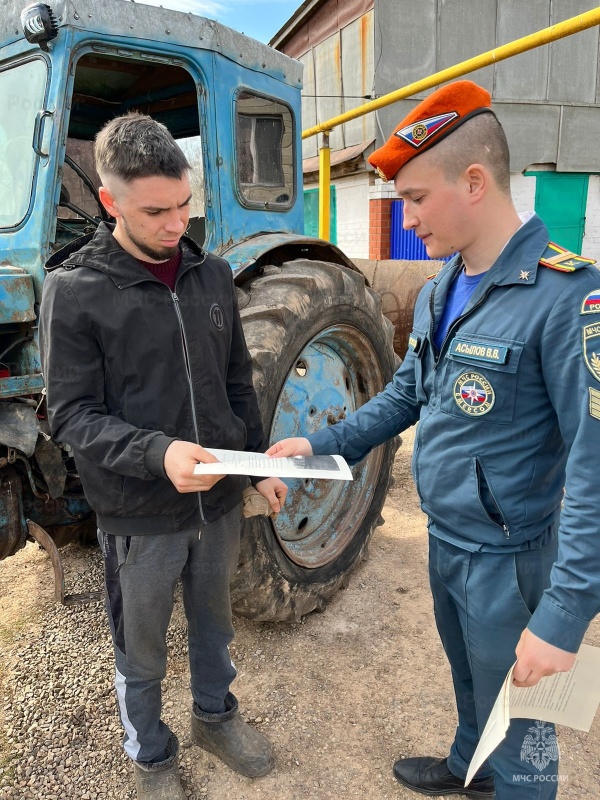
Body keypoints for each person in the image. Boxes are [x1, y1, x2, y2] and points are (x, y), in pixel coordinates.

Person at [266, 80, 600, 799]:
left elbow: (596, 465)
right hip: (448, 541)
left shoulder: (567, 298)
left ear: (474, 181)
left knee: (526, 732)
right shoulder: (442, 288)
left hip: (512, 562)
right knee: (469, 678)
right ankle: (466, 766)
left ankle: (511, 784)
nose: (404, 215)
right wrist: (324, 449)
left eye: (416, 196)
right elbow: (410, 392)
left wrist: (565, 614)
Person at [39, 112, 287, 800]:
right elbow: (73, 417)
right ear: (111, 202)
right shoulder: (76, 291)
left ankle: (215, 717)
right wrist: (158, 452)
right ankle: (150, 756)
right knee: (141, 650)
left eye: (185, 205)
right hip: (139, 514)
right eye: (156, 212)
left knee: (215, 627)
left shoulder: (213, 276)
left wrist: (259, 462)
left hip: (218, 502)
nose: (177, 225)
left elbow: (238, 381)